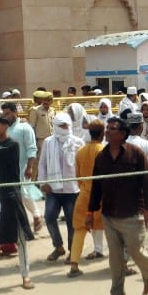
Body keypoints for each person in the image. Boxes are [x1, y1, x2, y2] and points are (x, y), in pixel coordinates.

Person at [85, 118, 148, 295]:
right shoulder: (101, 157)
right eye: (107, 128)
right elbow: (96, 186)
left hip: (132, 213)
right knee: (115, 256)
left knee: (136, 251)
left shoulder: (136, 154)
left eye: (112, 129)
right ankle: (117, 291)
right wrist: (90, 212)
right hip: (109, 213)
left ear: (123, 133)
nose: (107, 132)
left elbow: (147, 182)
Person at [0, 115, 34, 291]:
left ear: (6, 126)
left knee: (20, 238)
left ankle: (25, 275)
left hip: (12, 195)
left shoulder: (12, 145)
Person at [39, 112, 83, 263]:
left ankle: (73, 251)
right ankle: (58, 246)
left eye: (67, 125)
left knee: (72, 222)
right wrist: (42, 182)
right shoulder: (48, 142)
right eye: (62, 125)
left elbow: (81, 164)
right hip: (53, 189)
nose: (65, 128)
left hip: (72, 189)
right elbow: (43, 163)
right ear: (56, 126)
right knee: (49, 217)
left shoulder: (77, 142)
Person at [67, 121, 106, 277]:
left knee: (79, 230)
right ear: (102, 133)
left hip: (84, 195)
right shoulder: (104, 150)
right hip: (103, 195)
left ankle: (74, 264)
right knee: (113, 228)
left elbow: (78, 177)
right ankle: (122, 263)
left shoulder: (81, 151)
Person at [1, 102, 41, 234]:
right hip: (8, 168)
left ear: (15, 112)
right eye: (4, 114)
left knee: (23, 193)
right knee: (17, 195)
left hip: (23, 166)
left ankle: (34, 216)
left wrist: (29, 167)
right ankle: (31, 219)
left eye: (8, 113)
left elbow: (32, 148)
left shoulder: (25, 127)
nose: (6, 116)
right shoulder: (4, 128)